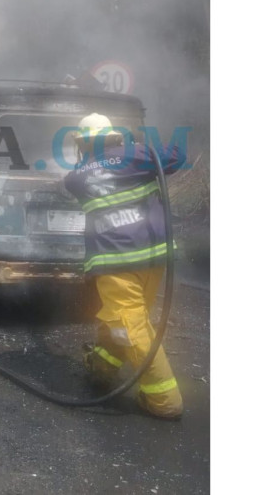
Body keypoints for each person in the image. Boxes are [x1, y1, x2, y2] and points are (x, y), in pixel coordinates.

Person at [63, 113, 186, 420]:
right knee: (129, 319)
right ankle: (103, 367)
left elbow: (98, 176)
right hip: (152, 258)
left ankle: (165, 401)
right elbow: (176, 157)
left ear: (82, 145)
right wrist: (140, 145)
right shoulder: (139, 156)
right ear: (114, 137)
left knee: (131, 326)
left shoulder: (75, 178)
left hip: (115, 263)